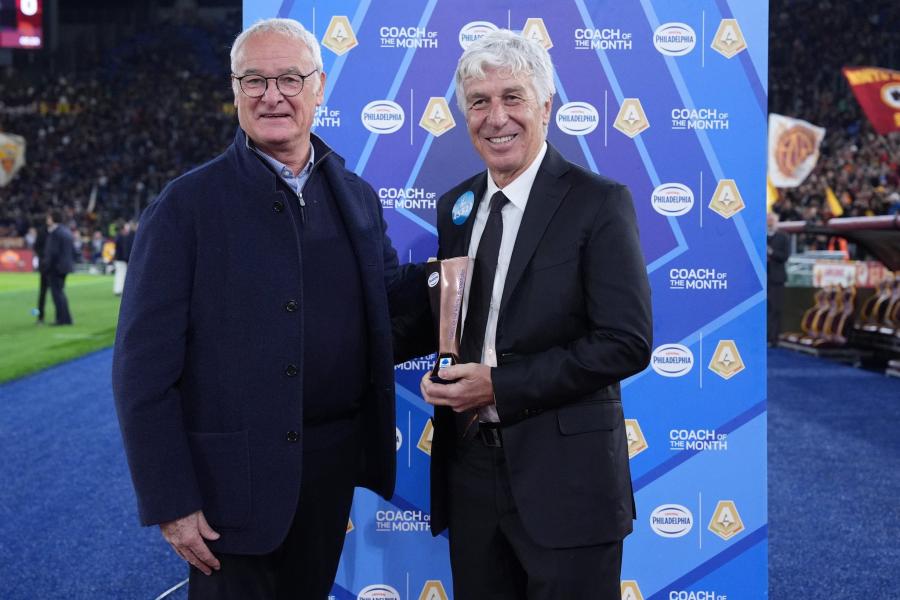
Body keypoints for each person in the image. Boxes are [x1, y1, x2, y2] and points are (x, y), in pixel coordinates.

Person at [112, 18, 424, 599]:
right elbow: (142, 371)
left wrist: (463, 277)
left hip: (328, 473)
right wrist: (170, 500)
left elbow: (385, 312)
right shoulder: (185, 207)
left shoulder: (356, 197)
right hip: (229, 487)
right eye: (254, 80)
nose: (272, 95)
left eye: (289, 79)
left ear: (319, 88)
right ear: (234, 91)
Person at [419, 30, 653, 600]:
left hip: (569, 482)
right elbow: (461, 319)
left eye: (512, 97)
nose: (496, 117)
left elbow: (625, 341)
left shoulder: (598, 201)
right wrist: (444, 370)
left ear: (546, 107)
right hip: (472, 476)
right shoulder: (456, 206)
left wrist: (497, 385)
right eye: (479, 102)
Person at [40, 209, 74, 325]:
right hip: (64, 267)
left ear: (53, 219)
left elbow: (52, 252)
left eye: (49, 217)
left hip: (55, 268)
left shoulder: (55, 233)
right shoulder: (66, 231)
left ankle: (61, 319)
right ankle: (67, 318)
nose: (47, 220)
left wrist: (46, 266)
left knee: (57, 294)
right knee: (60, 293)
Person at [767, 211, 790, 345]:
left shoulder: (783, 237)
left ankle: (773, 338)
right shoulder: (759, 236)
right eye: (767, 220)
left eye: (772, 220)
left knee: (775, 308)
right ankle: (763, 337)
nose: (769, 222)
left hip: (777, 278)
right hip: (762, 278)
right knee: (764, 309)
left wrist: (771, 252)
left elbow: (785, 256)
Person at [112, 221, 134, 295]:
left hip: (118, 259)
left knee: (119, 274)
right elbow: (123, 249)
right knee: (121, 274)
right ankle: (119, 290)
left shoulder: (117, 236)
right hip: (120, 259)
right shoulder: (121, 237)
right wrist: (126, 258)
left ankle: (118, 289)